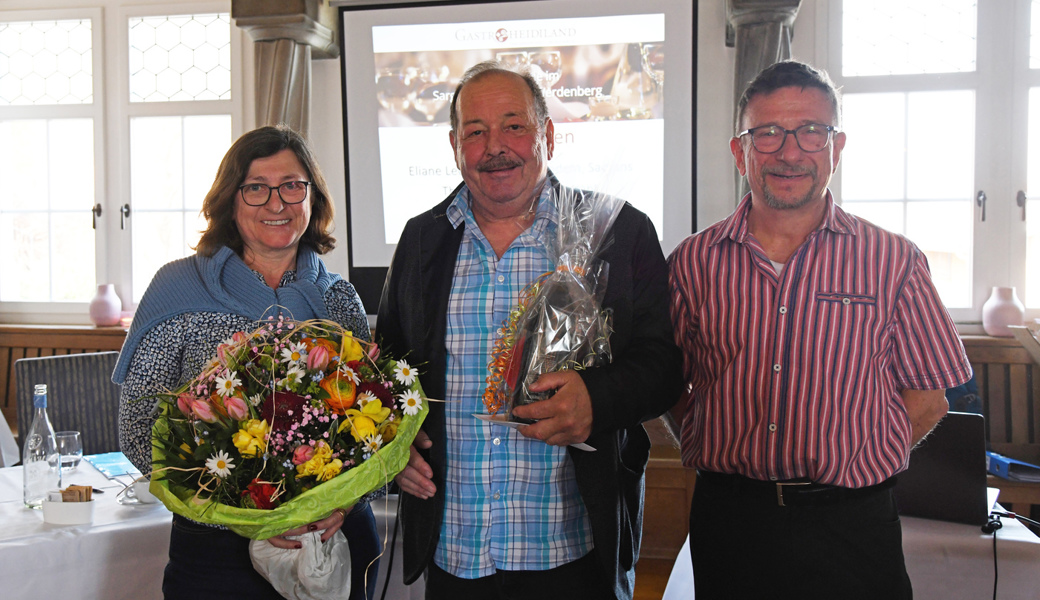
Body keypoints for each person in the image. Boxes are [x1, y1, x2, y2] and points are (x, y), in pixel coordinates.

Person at [666, 60, 974, 599]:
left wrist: (861, 451)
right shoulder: (694, 261)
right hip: (731, 522)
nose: (790, 152)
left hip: (853, 526)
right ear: (741, 150)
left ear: (837, 146)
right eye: (768, 134)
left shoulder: (892, 259)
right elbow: (669, 383)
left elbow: (930, 397)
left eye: (811, 132)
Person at [376, 61, 682, 600]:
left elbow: (664, 367)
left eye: (514, 126)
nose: (495, 146)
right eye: (475, 132)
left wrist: (598, 399)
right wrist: (395, 447)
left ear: (548, 135)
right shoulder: (421, 239)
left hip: (572, 550)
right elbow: (387, 372)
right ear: (455, 145)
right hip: (455, 551)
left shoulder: (617, 230)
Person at [113, 125, 381, 600]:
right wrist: (244, 511)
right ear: (229, 200)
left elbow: (378, 429)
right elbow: (139, 431)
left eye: (292, 186)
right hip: (216, 556)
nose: (276, 204)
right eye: (256, 188)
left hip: (333, 542)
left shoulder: (339, 299)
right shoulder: (177, 287)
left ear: (313, 198)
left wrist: (347, 501)